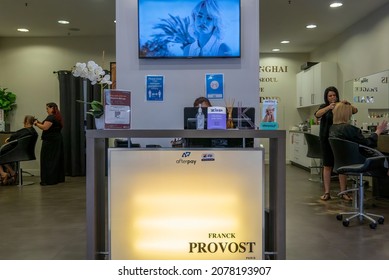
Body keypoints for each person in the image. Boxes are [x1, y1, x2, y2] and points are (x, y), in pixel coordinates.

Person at [314, 86, 358, 201]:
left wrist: (347, 104)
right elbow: (317, 114)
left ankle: (343, 192)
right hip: (326, 139)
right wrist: (329, 107)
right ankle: (327, 192)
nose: (332, 97)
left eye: (334, 95)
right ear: (326, 97)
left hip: (339, 139)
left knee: (341, 165)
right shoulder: (324, 107)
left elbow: (355, 110)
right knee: (327, 165)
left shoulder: (341, 106)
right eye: (330, 96)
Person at [330, 102, 389, 176]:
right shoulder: (349, 129)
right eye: (350, 113)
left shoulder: (332, 128)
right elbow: (368, 143)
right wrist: (378, 131)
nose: (351, 115)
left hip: (342, 162)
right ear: (347, 114)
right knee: (385, 158)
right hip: (358, 161)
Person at [0, 115, 38, 185]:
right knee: (3, 157)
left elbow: (12, 138)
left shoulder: (25, 131)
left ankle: (3, 174)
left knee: (1, 154)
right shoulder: (33, 132)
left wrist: (8, 139)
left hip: (16, 152)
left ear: (26, 122)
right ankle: (12, 173)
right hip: (24, 152)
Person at [34, 102, 65, 186]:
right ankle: (57, 177)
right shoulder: (56, 117)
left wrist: (36, 124)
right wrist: (40, 122)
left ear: (52, 108)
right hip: (56, 140)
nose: (46, 110)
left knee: (48, 159)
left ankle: (49, 179)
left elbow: (45, 127)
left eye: (47, 108)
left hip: (51, 142)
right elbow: (47, 125)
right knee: (55, 159)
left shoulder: (51, 117)